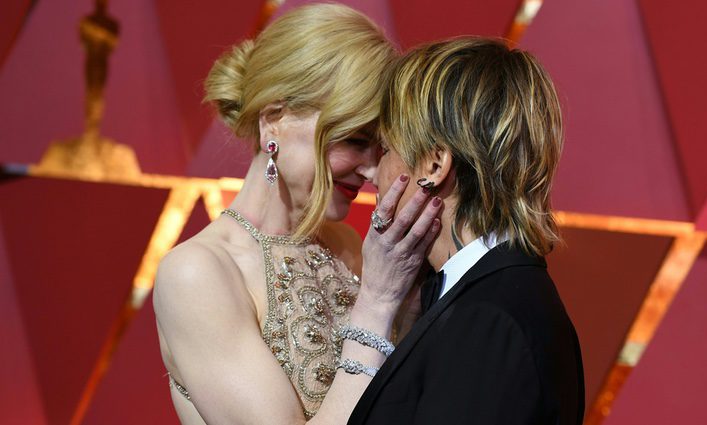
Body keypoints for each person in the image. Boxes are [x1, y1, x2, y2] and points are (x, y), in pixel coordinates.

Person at [153, 4, 441, 424]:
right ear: (274, 119)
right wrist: (378, 303)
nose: (374, 171)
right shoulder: (197, 273)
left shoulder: (347, 248)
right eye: (355, 140)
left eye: (379, 148)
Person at [349, 37, 585, 424]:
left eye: (386, 148)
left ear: (435, 165)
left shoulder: (488, 322)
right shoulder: (484, 299)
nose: (375, 173)